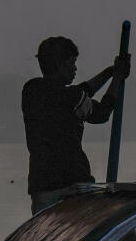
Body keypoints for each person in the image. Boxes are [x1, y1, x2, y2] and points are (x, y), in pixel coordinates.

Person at [22, 36, 130, 214]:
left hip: (42, 188)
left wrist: (109, 72)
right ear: (60, 64)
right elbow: (102, 113)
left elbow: (79, 92)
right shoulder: (70, 97)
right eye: (72, 63)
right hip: (73, 185)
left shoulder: (32, 90)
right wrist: (117, 79)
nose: (75, 68)